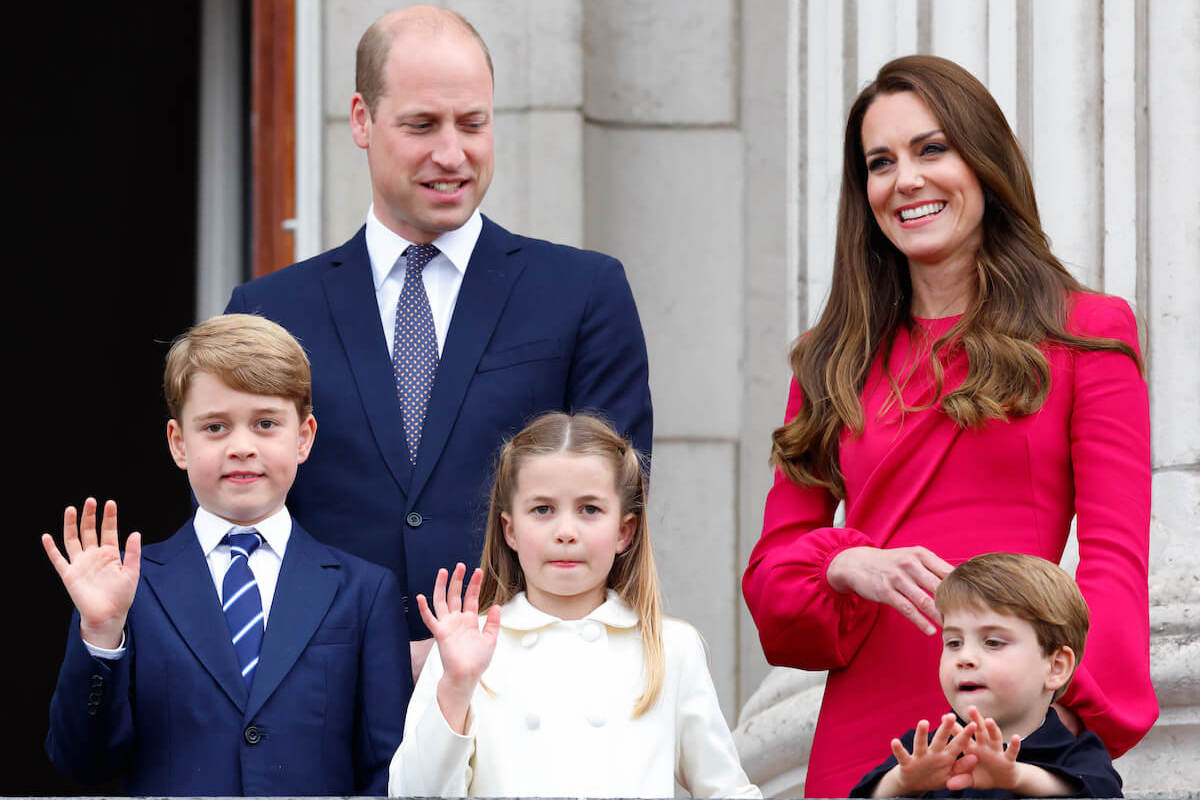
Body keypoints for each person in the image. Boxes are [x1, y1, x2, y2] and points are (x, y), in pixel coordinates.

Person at [741, 54, 1156, 797]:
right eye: (880, 162)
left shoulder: (1086, 331)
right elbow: (774, 585)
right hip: (868, 743)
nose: (906, 180)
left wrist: (1065, 720)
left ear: (984, 162)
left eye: (932, 149)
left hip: (1015, 733)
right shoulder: (828, 360)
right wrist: (848, 562)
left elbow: (1115, 560)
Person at [225, 6, 653, 676]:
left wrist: (480, 652)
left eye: (473, 123)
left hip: (525, 702)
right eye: (422, 124)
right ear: (362, 121)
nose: (452, 154)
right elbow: (237, 530)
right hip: (325, 709)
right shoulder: (269, 311)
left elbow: (613, 515)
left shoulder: (583, 293)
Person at [42, 314, 411, 795]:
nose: (241, 447)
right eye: (215, 427)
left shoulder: (363, 591)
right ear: (179, 443)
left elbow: (389, 769)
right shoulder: (130, 588)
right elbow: (81, 762)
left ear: (303, 437)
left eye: (265, 424)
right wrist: (100, 634)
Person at [388, 413, 760, 798]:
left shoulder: (670, 647)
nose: (566, 532)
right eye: (542, 510)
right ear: (510, 530)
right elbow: (414, 793)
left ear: (624, 531)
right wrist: (457, 686)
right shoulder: (466, 648)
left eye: (589, 509)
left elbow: (726, 790)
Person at [852, 553, 1122, 798]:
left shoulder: (1078, 753)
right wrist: (902, 781)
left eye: (993, 642)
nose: (964, 658)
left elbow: (1102, 791)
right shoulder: (926, 751)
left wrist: (1018, 777)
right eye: (954, 643)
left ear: (1055, 667)